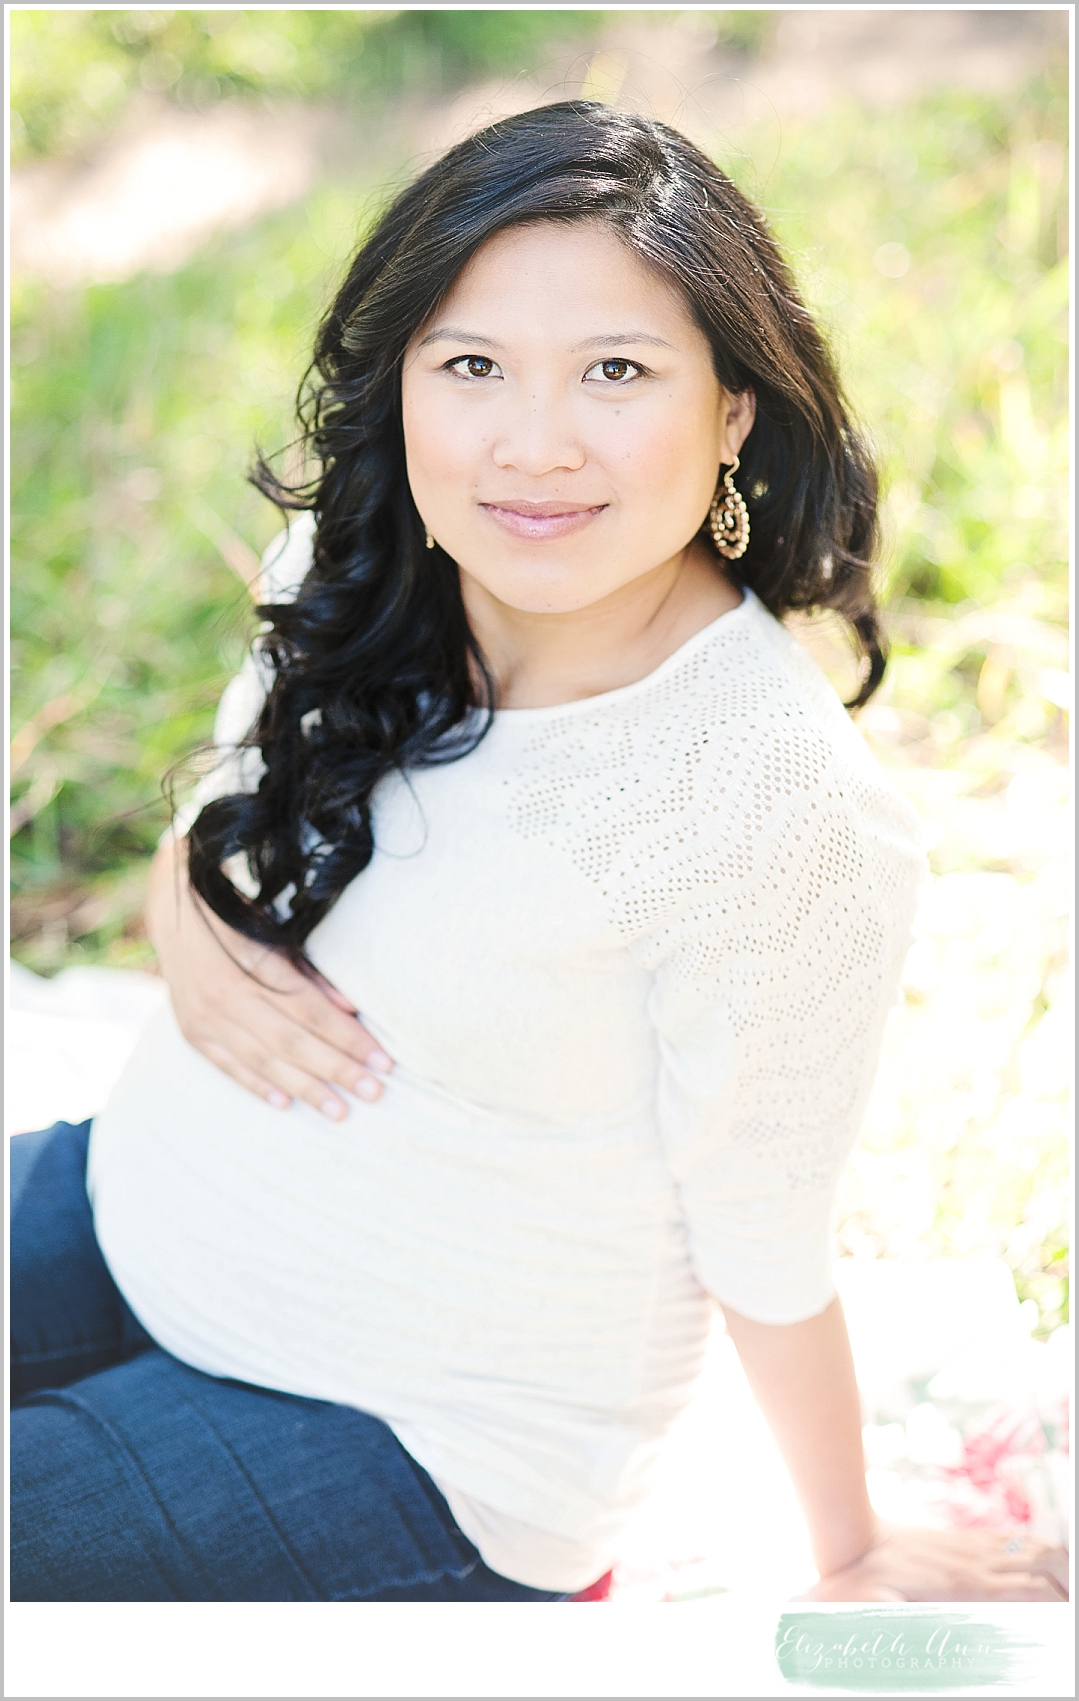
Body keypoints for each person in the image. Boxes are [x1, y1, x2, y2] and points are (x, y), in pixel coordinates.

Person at [10, 102, 1067, 1605]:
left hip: (409, 1429)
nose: (534, 444)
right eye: (473, 366)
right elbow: (224, 812)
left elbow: (762, 1223)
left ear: (735, 412)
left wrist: (852, 1542)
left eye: (617, 372)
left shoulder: (768, 798)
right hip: (144, 1202)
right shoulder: (365, 562)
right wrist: (183, 908)